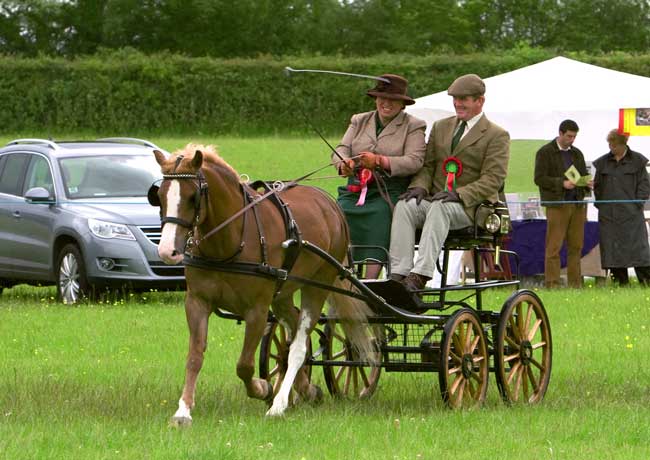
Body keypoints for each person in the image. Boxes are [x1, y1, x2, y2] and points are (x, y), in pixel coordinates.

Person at [389, 74, 509, 290]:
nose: (457, 103)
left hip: (471, 207)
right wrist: (419, 186)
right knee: (405, 206)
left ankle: (420, 276)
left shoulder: (496, 135)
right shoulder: (440, 127)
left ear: (479, 101)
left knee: (439, 208)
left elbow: (493, 179)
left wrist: (460, 194)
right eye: (455, 98)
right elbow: (428, 165)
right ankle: (398, 273)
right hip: (437, 200)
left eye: (463, 99)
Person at [333, 74, 426, 279]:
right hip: (354, 190)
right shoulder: (359, 120)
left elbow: (415, 160)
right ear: (375, 99)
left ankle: (370, 283)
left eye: (393, 100)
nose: (386, 103)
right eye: (382, 98)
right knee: (337, 215)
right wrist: (343, 164)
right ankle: (344, 276)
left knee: (380, 216)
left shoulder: (414, 126)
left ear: (402, 104)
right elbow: (341, 148)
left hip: (389, 192)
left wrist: (380, 161)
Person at [534, 119, 592, 288]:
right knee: (554, 247)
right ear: (560, 133)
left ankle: (575, 285)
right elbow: (539, 178)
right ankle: (552, 284)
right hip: (557, 205)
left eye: (574, 137)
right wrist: (561, 183)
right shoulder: (545, 152)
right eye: (569, 136)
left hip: (577, 204)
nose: (572, 140)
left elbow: (581, 175)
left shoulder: (577, 153)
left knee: (576, 246)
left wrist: (586, 183)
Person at [593, 129, 650, 286]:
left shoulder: (638, 161)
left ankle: (646, 283)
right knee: (613, 251)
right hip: (609, 216)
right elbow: (597, 187)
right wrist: (602, 206)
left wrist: (637, 203)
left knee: (639, 250)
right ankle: (620, 284)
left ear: (623, 144)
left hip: (632, 215)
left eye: (614, 145)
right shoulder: (602, 163)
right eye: (609, 144)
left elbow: (645, 185)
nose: (611, 148)